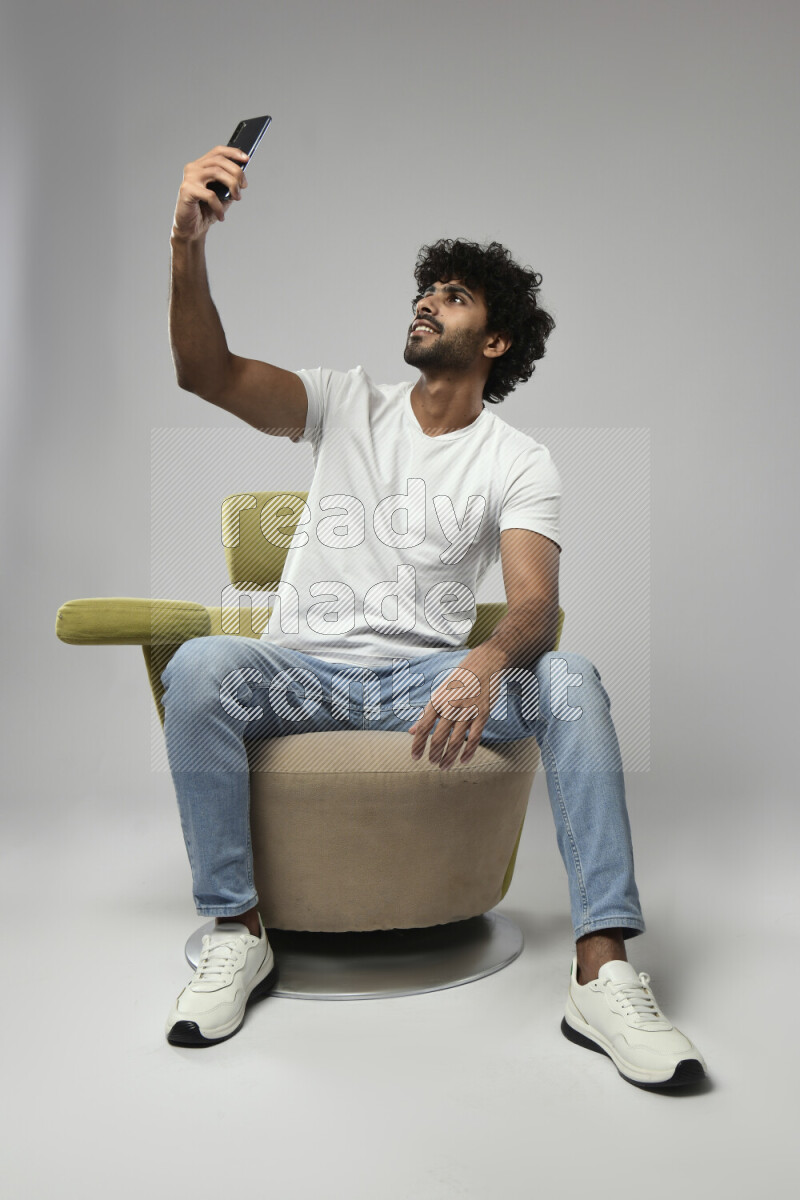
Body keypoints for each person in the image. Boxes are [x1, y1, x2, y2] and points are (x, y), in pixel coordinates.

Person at [162, 142, 707, 1089]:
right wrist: (186, 242)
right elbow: (203, 371)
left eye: (453, 296)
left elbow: (535, 605)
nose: (426, 303)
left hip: (424, 683)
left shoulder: (518, 460)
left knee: (571, 680)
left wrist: (486, 664)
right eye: (426, 291)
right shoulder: (343, 403)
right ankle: (237, 932)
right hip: (301, 674)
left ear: (496, 342)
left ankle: (603, 970)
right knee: (201, 666)